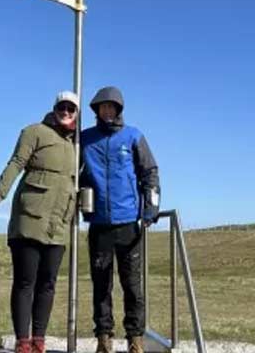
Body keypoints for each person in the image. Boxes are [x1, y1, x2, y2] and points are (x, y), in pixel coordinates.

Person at [0, 91, 80, 353]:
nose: (66, 112)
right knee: (26, 282)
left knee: (48, 284)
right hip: (30, 218)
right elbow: (16, 163)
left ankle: (39, 340)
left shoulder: (77, 144)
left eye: (72, 108)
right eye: (63, 106)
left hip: (59, 223)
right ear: (54, 108)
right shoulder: (34, 131)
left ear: (77, 113)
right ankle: (23, 342)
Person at [80, 86, 160, 353]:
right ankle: (104, 339)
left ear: (119, 110)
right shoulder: (85, 139)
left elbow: (149, 172)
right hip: (99, 225)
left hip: (128, 223)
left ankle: (134, 339)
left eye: (112, 107)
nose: (107, 111)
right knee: (101, 285)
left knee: (132, 286)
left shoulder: (133, 136)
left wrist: (150, 209)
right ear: (96, 111)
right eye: (103, 107)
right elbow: (73, 173)